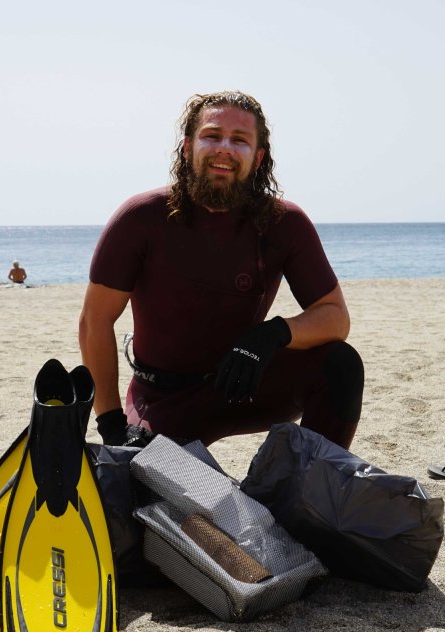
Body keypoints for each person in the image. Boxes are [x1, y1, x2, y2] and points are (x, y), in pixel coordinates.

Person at [79, 90, 363, 450]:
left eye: (240, 140)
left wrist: (271, 335)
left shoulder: (283, 223)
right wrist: (110, 425)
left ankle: (312, 490)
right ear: (187, 147)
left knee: (340, 364)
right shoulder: (141, 218)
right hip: (162, 400)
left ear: (258, 157)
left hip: (243, 384)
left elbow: (335, 318)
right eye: (212, 136)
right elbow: (95, 321)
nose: (224, 148)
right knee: (152, 494)